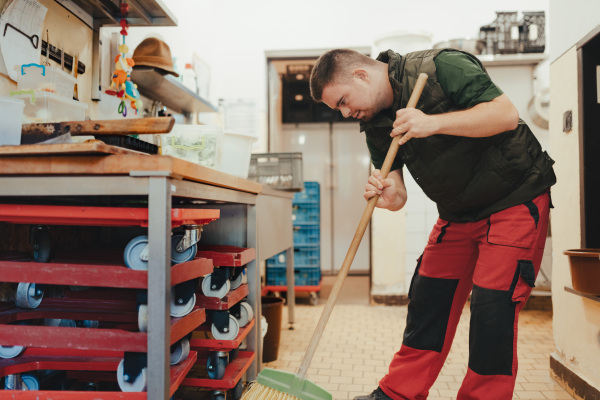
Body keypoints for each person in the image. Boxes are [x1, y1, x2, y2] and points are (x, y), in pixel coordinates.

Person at [309, 48, 556, 400]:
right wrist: (389, 197)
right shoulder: (376, 123)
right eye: (340, 110)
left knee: (492, 310)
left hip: (513, 199)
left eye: (344, 101)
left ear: (361, 75)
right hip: (457, 212)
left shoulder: (442, 67)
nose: (347, 113)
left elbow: (505, 114)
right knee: (428, 299)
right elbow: (397, 191)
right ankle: (398, 394)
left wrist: (433, 122)